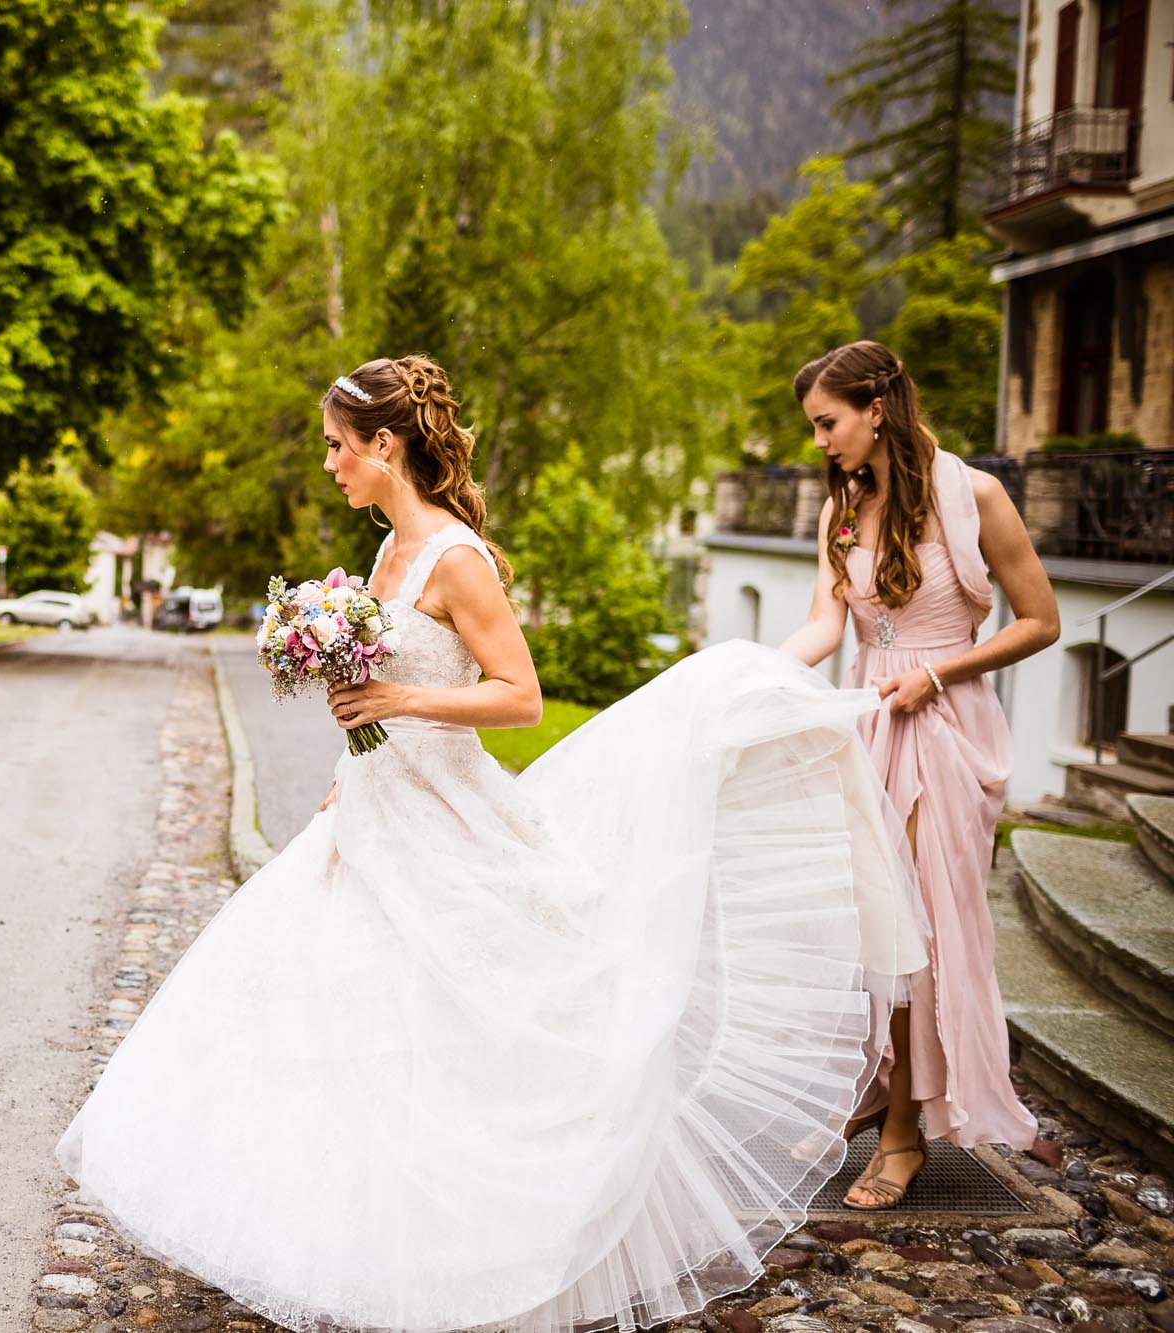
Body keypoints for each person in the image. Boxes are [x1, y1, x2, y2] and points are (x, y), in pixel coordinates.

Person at [56, 354, 931, 1333]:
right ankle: (345, 1234)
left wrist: (397, 698)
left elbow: (519, 696)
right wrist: (349, 771)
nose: (330, 465)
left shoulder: (452, 558)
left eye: (338, 448)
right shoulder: (383, 555)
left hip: (448, 817)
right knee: (325, 1012)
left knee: (473, 1024)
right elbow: (374, 697)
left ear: (384, 445)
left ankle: (474, 1240)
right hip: (371, 814)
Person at [779, 340, 1058, 1209]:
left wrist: (937, 674)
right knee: (868, 920)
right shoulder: (844, 511)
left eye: (829, 422)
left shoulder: (977, 496)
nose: (820, 440)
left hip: (944, 721)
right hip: (868, 717)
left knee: (919, 930)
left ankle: (905, 1131)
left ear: (876, 406)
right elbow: (828, 626)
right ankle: (878, 1085)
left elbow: (1040, 620)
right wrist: (755, 676)